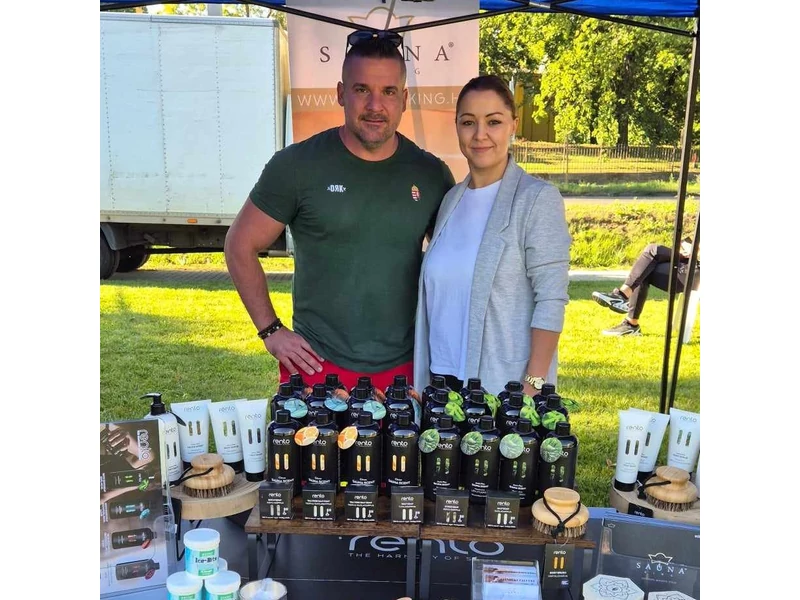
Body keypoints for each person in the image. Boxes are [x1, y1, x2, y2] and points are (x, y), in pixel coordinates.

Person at [224, 32, 455, 392]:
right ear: (340, 93)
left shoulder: (431, 173)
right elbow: (239, 245)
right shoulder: (296, 166)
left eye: (388, 92)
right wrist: (271, 331)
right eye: (362, 89)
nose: (375, 105)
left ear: (404, 99)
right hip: (317, 365)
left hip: (407, 367)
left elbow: (454, 264)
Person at [412, 75, 571, 398]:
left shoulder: (536, 199)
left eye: (493, 122)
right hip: (440, 380)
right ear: (457, 127)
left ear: (513, 125)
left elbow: (551, 300)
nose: (480, 134)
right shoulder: (450, 200)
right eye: (468, 122)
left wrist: (533, 384)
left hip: (503, 387)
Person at [592, 239, 700, 336]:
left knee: (650, 256)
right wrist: (688, 246)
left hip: (697, 274)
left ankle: (623, 299)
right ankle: (630, 321)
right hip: (690, 264)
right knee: (647, 262)